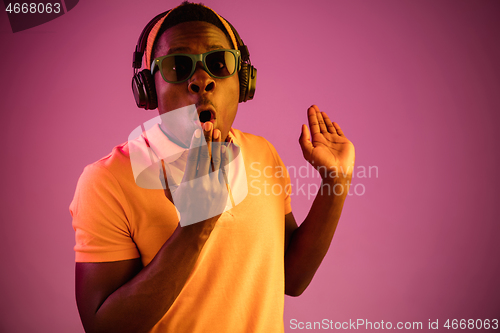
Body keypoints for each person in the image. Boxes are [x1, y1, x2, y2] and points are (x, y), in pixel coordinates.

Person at [70, 2, 355, 333]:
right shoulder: (107, 181)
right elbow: (104, 327)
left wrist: (336, 183)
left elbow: (290, 278)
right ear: (149, 89)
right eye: (178, 66)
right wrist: (195, 228)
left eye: (219, 63)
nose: (201, 81)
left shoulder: (263, 154)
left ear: (243, 82)